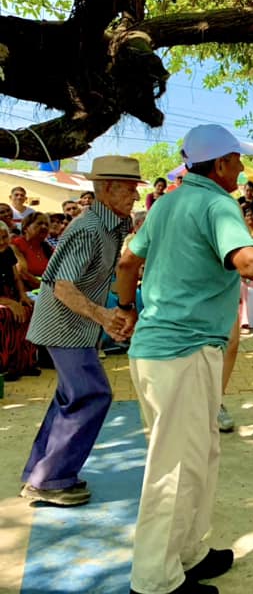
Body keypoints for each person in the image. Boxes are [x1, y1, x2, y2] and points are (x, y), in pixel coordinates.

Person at [115, 124, 253, 594]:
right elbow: (251, 264)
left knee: (197, 456)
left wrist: (127, 308)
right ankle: (154, 580)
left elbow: (128, 262)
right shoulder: (217, 205)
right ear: (218, 164)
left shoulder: (168, 202)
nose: (241, 169)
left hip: (160, 350)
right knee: (175, 468)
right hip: (185, 351)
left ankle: (188, 552)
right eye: (236, 160)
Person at [18, 156, 142, 507]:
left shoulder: (111, 224)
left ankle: (41, 473)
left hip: (75, 325)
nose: (135, 195)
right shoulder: (89, 228)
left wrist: (115, 311)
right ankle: (50, 479)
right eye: (129, 188)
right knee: (91, 394)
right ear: (106, 189)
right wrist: (103, 316)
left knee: (71, 397)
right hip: (64, 325)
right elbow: (62, 286)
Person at [0, 221, 36, 382]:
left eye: (4, 237)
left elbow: (16, 278)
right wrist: (10, 303)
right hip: (2, 299)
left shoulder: (8, 252)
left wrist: (22, 296)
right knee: (6, 315)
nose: (2, 242)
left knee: (29, 308)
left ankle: (24, 363)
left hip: (9, 294)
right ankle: (5, 366)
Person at [12, 212, 53, 290]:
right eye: (39, 223)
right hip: (27, 290)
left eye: (47, 224)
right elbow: (22, 272)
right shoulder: (17, 245)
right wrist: (46, 287)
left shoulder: (47, 247)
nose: (44, 227)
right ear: (25, 228)